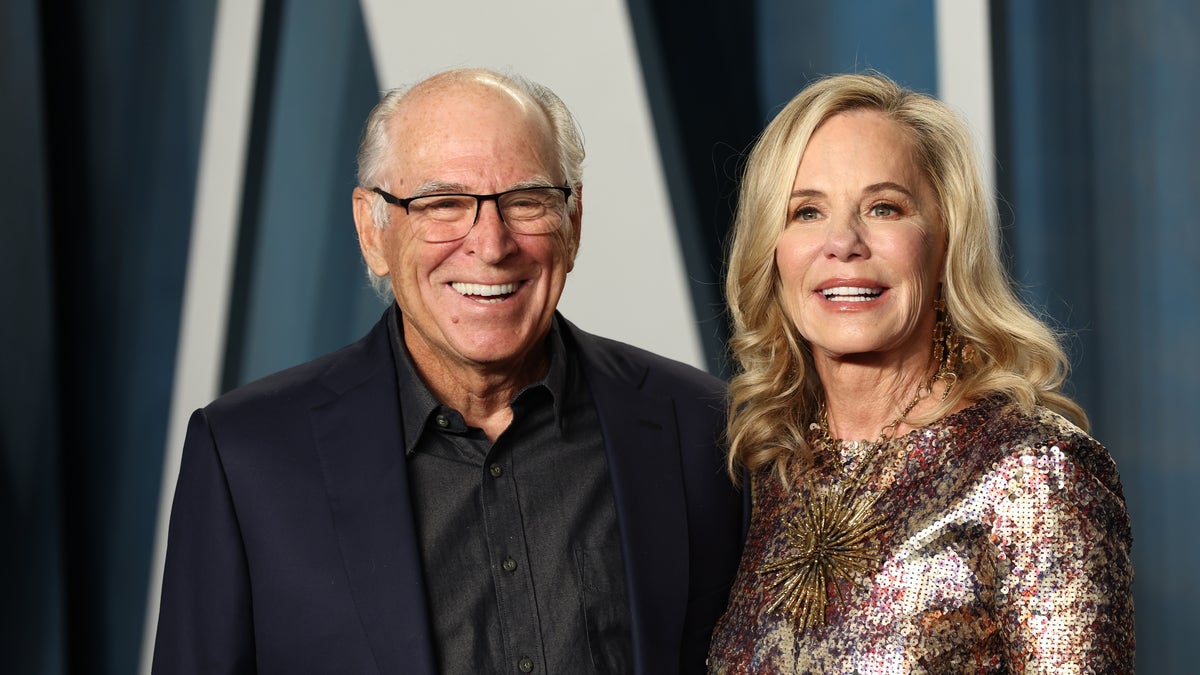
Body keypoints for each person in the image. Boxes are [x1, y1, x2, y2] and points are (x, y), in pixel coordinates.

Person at [152, 68, 745, 674]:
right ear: (371, 230)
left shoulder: (704, 430)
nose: (490, 245)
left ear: (573, 222)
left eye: (526, 201)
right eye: (442, 204)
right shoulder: (246, 458)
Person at [706, 72, 1134, 672]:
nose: (844, 242)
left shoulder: (1035, 477)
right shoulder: (770, 472)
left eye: (884, 207)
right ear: (773, 252)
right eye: (806, 211)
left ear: (945, 243)